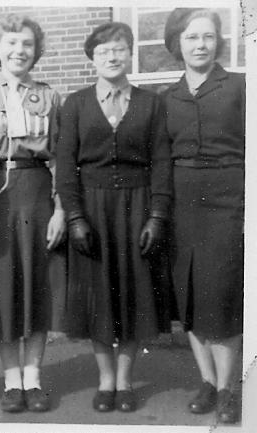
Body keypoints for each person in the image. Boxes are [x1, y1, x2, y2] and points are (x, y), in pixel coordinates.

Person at [56, 22, 171, 414]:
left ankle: (126, 381)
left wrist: (156, 215)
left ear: (130, 54)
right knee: (99, 295)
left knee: (135, 291)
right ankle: (105, 381)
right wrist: (74, 216)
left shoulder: (151, 103)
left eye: (119, 49)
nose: (112, 56)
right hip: (92, 207)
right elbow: (65, 165)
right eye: (104, 51)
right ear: (92, 57)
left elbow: (161, 162)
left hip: (138, 204)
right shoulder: (75, 103)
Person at [0, 15, 64, 413]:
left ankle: (34, 378)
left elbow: (63, 158)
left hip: (37, 191)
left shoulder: (49, 96)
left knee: (38, 284)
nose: (19, 51)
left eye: (27, 44)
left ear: (36, 50)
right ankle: (12, 380)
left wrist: (61, 209)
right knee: (5, 286)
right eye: (10, 43)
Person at [161, 8, 244, 424]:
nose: (200, 45)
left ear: (218, 41)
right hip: (181, 203)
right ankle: (207, 381)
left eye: (208, 37)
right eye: (192, 37)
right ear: (177, 42)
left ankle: (229, 389)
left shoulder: (240, 87)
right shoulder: (167, 98)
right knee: (189, 291)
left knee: (223, 293)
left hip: (230, 199)